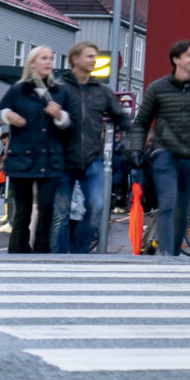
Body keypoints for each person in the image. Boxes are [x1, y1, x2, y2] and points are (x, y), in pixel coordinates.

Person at [135, 40, 190, 256]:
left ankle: (173, 254)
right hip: (165, 154)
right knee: (167, 203)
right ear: (176, 60)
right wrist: (136, 149)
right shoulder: (158, 88)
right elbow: (142, 122)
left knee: (183, 212)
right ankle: (166, 254)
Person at [53, 41, 133, 254]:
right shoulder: (60, 88)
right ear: (75, 59)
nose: (94, 60)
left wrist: (130, 138)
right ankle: (60, 257)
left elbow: (121, 118)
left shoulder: (102, 91)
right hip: (64, 159)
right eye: (89, 56)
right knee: (60, 213)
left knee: (96, 206)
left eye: (95, 56)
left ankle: (79, 252)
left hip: (92, 159)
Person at [0, 47, 72, 255]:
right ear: (32, 63)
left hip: (50, 159)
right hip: (22, 159)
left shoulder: (60, 91)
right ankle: (18, 253)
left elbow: (72, 125)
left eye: (51, 58)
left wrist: (60, 117)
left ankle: (41, 255)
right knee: (23, 213)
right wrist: (7, 115)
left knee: (46, 211)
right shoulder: (18, 90)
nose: (49, 62)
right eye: (44, 58)